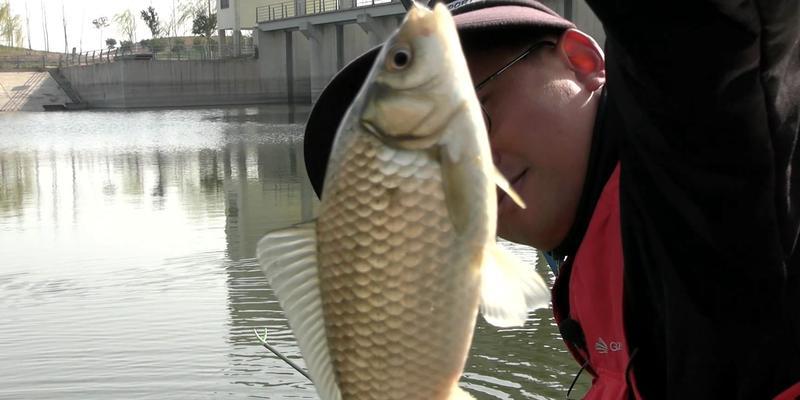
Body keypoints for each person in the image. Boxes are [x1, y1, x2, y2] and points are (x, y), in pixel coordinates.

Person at [302, 0, 800, 398]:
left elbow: (701, 26)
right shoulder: (585, 269)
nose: (464, 160)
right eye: (421, 160)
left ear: (583, 61)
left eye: (478, 114)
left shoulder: (702, 160)